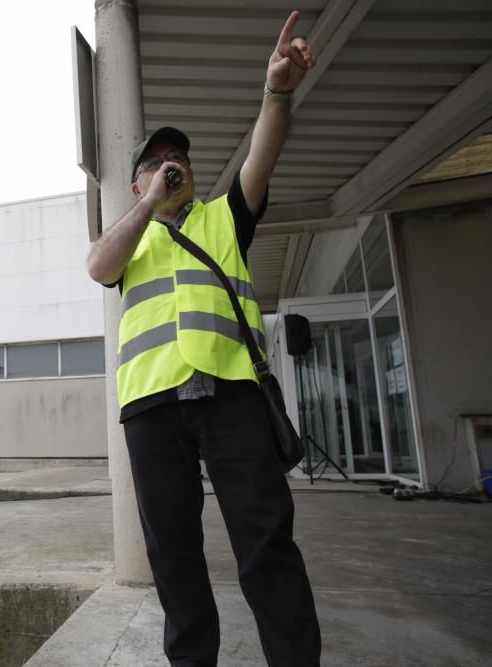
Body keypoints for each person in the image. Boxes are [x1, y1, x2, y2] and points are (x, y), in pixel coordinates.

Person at [85, 12, 321, 666]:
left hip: (233, 397)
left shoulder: (223, 216)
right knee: (174, 557)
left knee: (266, 543)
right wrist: (144, 206)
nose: (170, 166)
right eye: (156, 163)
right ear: (138, 183)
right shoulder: (128, 238)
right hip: (152, 407)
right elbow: (97, 267)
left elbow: (263, 151)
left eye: (178, 158)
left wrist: (276, 91)